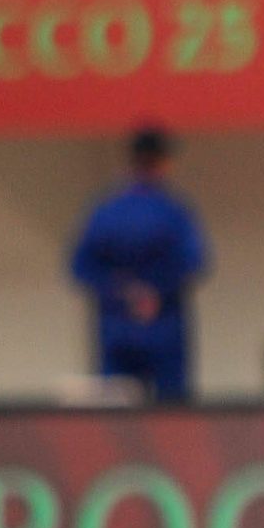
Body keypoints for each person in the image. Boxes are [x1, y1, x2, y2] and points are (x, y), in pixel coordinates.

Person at [70, 127, 207, 402]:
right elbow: (195, 261)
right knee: (172, 417)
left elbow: (79, 266)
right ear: (164, 162)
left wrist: (121, 292)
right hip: (163, 326)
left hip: (116, 326)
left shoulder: (105, 211)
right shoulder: (173, 212)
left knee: (117, 417)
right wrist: (154, 293)